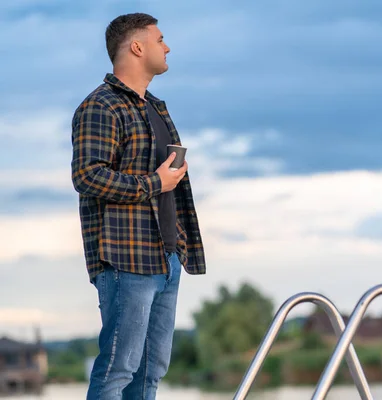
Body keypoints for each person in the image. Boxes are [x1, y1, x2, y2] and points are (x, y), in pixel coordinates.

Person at [70, 13, 206, 399]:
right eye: (160, 39)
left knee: (149, 374)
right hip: (125, 260)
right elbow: (87, 176)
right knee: (118, 370)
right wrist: (155, 182)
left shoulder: (157, 108)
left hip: (166, 257)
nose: (167, 47)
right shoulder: (100, 106)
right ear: (137, 46)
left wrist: (178, 240)